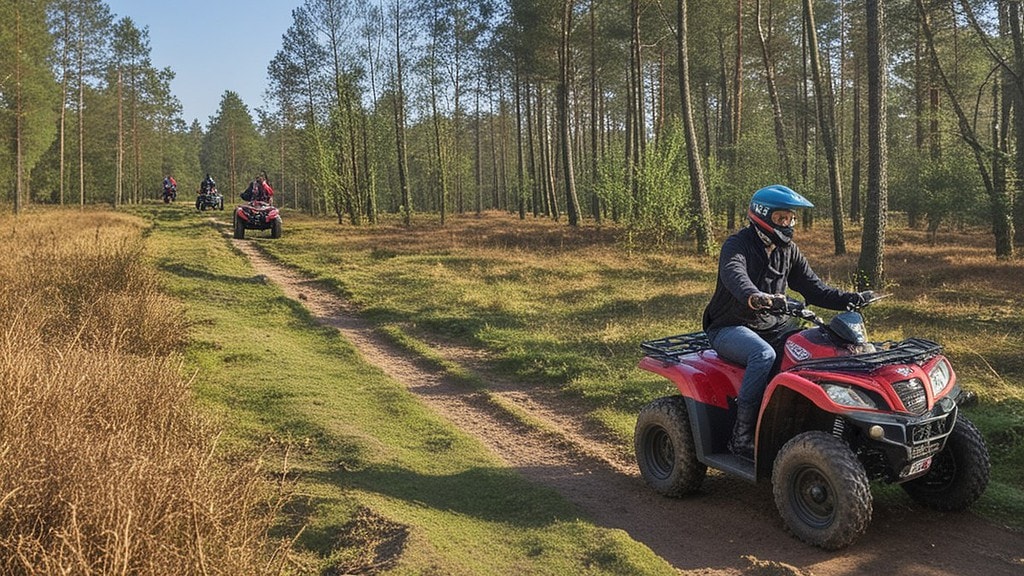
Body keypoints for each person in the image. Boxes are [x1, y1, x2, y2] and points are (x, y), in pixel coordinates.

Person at [702, 185, 872, 459]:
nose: (788, 224)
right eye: (781, 219)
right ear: (762, 216)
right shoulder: (737, 245)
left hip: (775, 326)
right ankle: (742, 436)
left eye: (790, 219)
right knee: (762, 354)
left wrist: (850, 299)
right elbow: (735, 275)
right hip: (730, 326)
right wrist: (757, 297)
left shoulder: (788, 250)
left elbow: (815, 289)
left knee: (819, 346)